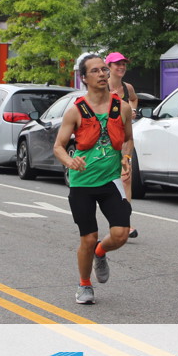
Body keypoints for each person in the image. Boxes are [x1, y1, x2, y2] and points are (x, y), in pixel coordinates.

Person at [54, 54, 133, 305]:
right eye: (95, 71)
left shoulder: (122, 107)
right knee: (87, 238)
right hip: (83, 183)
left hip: (111, 181)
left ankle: (101, 252)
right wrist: (70, 162)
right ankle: (84, 284)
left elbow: (128, 139)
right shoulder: (75, 111)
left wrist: (126, 158)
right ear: (84, 78)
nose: (102, 74)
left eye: (104, 70)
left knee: (121, 234)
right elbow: (58, 146)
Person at [105, 52, 141, 239]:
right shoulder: (102, 87)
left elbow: (133, 98)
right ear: (109, 67)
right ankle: (115, 221)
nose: (121, 67)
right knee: (106, 183)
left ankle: (124, 223)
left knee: (126, 179)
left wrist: (132, 109)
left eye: (123, 64)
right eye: (117, 64)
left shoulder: (127, 88)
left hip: (125, 141)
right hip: (104, 143)